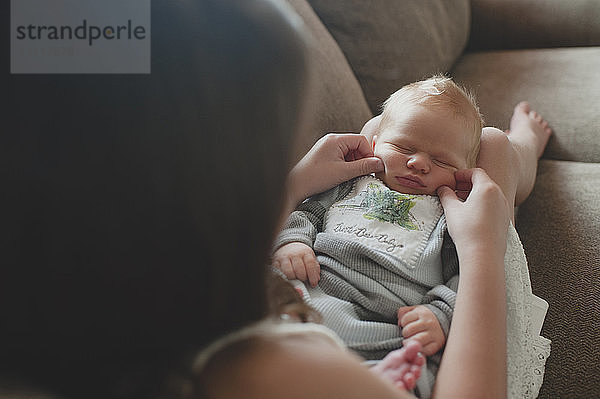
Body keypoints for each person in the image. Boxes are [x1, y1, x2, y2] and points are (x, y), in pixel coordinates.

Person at [2, 0, 548, 398]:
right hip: (448, 303)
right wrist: (482, 251)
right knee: (493, 153)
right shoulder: (269, 369)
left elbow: (32, 35)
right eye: (267, 163)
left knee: (468, 146)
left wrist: (294, 182)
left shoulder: (77, 303)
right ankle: (519, 153)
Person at [271, 76, 551, 396]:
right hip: (317, 300)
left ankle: (523, 145)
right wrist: (293, 241)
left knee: (465, 140)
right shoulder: (348, 185)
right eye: (405, 149)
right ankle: (521, 143)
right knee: (492, 146)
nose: (417, 163)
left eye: (442, 161)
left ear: (460, 173)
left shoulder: (453, 213)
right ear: (374, 147)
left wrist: (439, 314)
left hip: (381, 324)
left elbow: (457, 276)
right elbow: (308, 213)